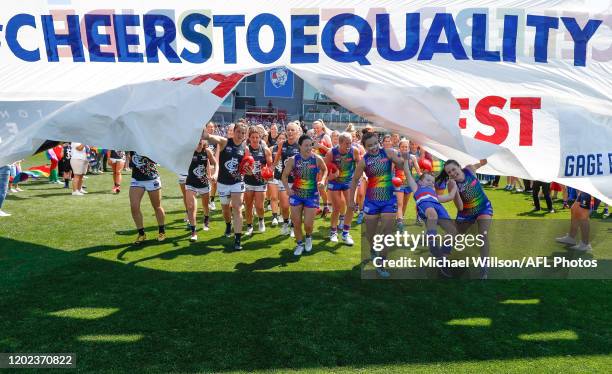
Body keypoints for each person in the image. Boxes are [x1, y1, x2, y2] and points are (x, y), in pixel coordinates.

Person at [349, 132, 405, 278]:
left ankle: (381, 264)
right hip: (371, 201)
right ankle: (373, 249)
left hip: (388, 200)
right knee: (371, 234)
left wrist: (401, 158)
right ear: (365, 147)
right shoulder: (363, 161)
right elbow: (355, 180)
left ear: (379, 142)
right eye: (369, 146)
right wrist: (351, 200)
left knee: (387, 233)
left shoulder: (389, 153)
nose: (373, 147)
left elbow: (401, 165)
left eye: (375, 143)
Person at [440, 159, 493, 279]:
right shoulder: (451, 184)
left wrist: (487, 158)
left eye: (454, 169)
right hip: (465, 212)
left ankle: (484, 267)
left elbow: (481, 163)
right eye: (449, 172)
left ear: (459, 166)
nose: (452, 173)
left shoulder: (469, 169)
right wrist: (455, 191)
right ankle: (442, 259)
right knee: (453, 233)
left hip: (483, 207)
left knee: (483, 234)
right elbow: (460, 206)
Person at [201, 121, 249, 251]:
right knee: (225, 209)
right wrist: (199, 128)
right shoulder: (224, 142)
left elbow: (246, 168)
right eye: (238, 132)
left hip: (237, 182)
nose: (240, 135)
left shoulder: (245, 148)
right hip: (222, 182)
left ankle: (238, 239)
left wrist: (248, 170)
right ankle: (228, 224)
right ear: (234, 131)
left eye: (243, 133)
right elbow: (210, 137)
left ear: (246, 135)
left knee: (238, 209)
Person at [404, 167, 459, 277]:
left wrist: (455, 186)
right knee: (432, 215)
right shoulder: (417, 188)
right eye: (428, 180)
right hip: (425, 204)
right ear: (420, 181)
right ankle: (433, 247)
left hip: (438, 206)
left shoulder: (435, 195)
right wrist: (406, 160)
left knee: (453, 231)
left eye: (432, 182)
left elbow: (450, 196)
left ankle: (443, 258)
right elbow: (407, 173)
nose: (430, 183)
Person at [282, 134, 328, 256]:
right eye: (306, 145)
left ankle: (308, 237)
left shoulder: (317, 158)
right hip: (296, 195)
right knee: (296, 223)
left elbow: (325, 170)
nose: (309, 148)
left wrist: (323, 180)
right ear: (300, 146)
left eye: (310, 145)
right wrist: (287, 188)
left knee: (308, 224)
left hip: (311, 196)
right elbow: (284, 176)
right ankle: (299, 244)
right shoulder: (293, 159)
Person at [325, 132, 360, 245]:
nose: (349, 145)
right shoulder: (331, 153)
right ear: (340, 143)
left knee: (351, 205)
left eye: (350, 143)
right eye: (346, 143)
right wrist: (331, 176)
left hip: (348, 181)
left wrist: (361, 176)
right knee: (337, 207)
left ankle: (345, 233)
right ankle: (333, 232)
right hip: (334, 182)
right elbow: (324, 170)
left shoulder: (354, 151)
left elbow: (359, 164)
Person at [129, 152, 166, 243]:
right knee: (134, 207)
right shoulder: (132, 142)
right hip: (137, 179)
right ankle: (141, 234)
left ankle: (162, 232)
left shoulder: (149, 142)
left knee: (157, 207)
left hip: (152, 178)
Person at [185, 138, 217, 241]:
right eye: (197, 139)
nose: (199, 141)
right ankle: (193, 232)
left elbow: (214, 163)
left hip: (203, 183)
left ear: (204, 141)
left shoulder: (207, 151)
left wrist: (213, 174)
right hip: (191, 183)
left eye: (201, 139)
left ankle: (206, 219)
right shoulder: (189, 151)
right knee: (191, 206)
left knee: (205, 206)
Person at [274, 122, 302, 236]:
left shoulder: (301, 145)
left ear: (297, 132)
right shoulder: (282, 144)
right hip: (284, 180)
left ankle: (293, 227)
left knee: (295, 207)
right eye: (288, 130)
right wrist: (270, 168)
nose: (290, 132)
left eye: (292, 130)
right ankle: (285, 223)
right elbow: (276, 160)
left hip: (297, 181)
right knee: (285, 206)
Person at [244, 126, 273, 235]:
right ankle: (249, 226)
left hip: (261, 182)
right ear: (249, 138)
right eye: (253, 137)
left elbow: (270, 167)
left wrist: (266, 173)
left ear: (260, 138)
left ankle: (261, 220)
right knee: (248, 206)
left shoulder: (265, 150)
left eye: (257, 137)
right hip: (248, 181)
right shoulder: (246, 149)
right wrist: (246, 171)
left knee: (259, 206)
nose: (255, 139)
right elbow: (241, 166)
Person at [395, 139, 421, 230]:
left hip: (408, 184)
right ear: (399, 147)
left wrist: (425, 179)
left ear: (408, 147)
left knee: (405, 204)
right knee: (400, 203)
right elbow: (390, 171)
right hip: (398, 184)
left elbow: (418, 171)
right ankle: (400, 222)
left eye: (406, 147)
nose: (404, 148)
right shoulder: (395, 157)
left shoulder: (412, 158)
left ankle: (400, 219)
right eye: (402, 147)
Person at [312, 120, 332, 217]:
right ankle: (318, 207)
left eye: (317, 127)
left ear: (321, 127)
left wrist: (321, 146)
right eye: (314, 128)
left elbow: (331, 150)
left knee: (320, 187)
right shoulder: (314, 137)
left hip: (322, 164)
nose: (315, 129)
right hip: (314, 164)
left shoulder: (326, 136)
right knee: (315, 187)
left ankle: (326, 206)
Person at [268, 132, 286, 226]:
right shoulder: (271, 149)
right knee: (274, 197)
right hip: (273, 176)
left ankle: (282, 215)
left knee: (283, 199)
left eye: (283, 138)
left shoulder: (288, 149)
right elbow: (268, 162)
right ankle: (274, 216)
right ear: (276, 139)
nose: (281, 140)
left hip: (284, 178)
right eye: (279, 138)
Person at [205, 122, 220, 211]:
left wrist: (215, 165)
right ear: (206, 128)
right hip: (203, 164)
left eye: (212, 127)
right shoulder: (203, 139)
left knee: (214, 183)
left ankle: (212, 200)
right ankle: (206, 202)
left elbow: (217, 153)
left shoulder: (216, 140)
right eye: (209, 127)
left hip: (213, 164)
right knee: (205, 184)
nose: (211, 128)